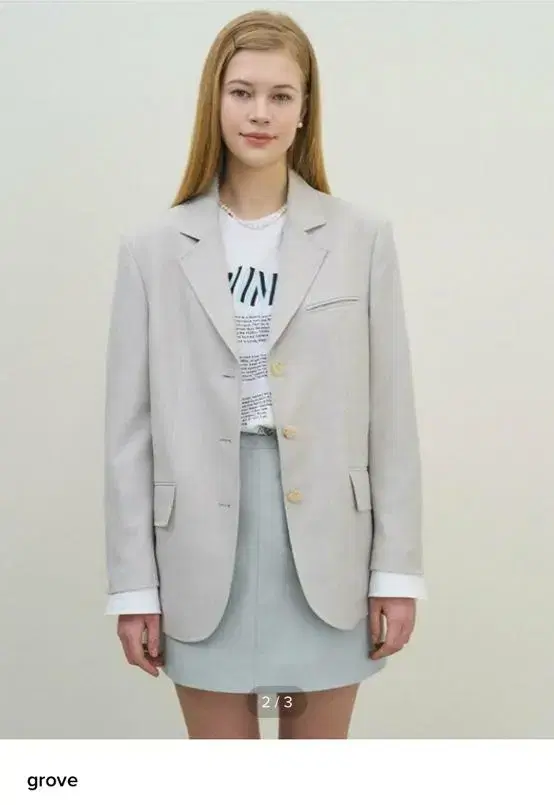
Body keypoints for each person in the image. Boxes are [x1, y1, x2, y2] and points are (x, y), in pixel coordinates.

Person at [104, 9, 427, 739]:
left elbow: (391, 415)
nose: (260, 113)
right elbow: (129, 433)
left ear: (305, 109)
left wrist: (396, 572)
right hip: (198, 555)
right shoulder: (152, 248)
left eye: (281, 95)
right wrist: (132, 587)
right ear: (213, 101)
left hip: (328, 552)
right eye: (242, 92)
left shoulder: (361, 238)